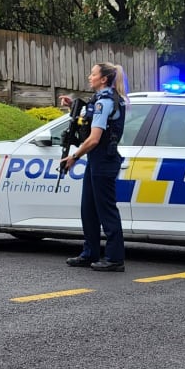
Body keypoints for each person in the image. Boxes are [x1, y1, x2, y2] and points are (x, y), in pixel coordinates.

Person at [60, 62, 127, 272]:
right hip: (97, 160)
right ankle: (90, 253)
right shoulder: (100, 99)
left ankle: (115, 259)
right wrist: (72, 105)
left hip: (103, 160)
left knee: (106, 211)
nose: (90, 77)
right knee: (88, 209)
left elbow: (94, 139)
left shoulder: (105, 101)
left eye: (93, 74)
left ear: (103, 79)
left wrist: (74, 156)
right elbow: (88, 119)